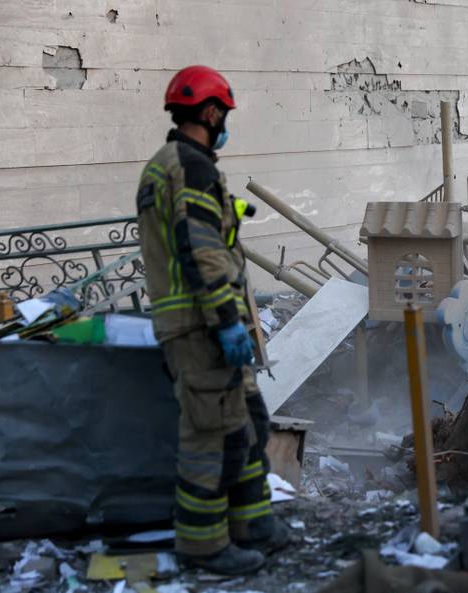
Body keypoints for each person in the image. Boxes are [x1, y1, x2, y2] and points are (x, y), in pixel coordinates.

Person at [135, 65, 287, 575]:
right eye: (224, 114)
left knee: (247, 424)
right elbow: (200, 249)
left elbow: (196, 229)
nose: (225, 124)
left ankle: (253, 528)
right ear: (210, 111)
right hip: (202, 328)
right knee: (212, 437)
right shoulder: (192, 168)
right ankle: (204, 547)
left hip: (201, 325)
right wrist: (226, 321)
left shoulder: (170, 166)